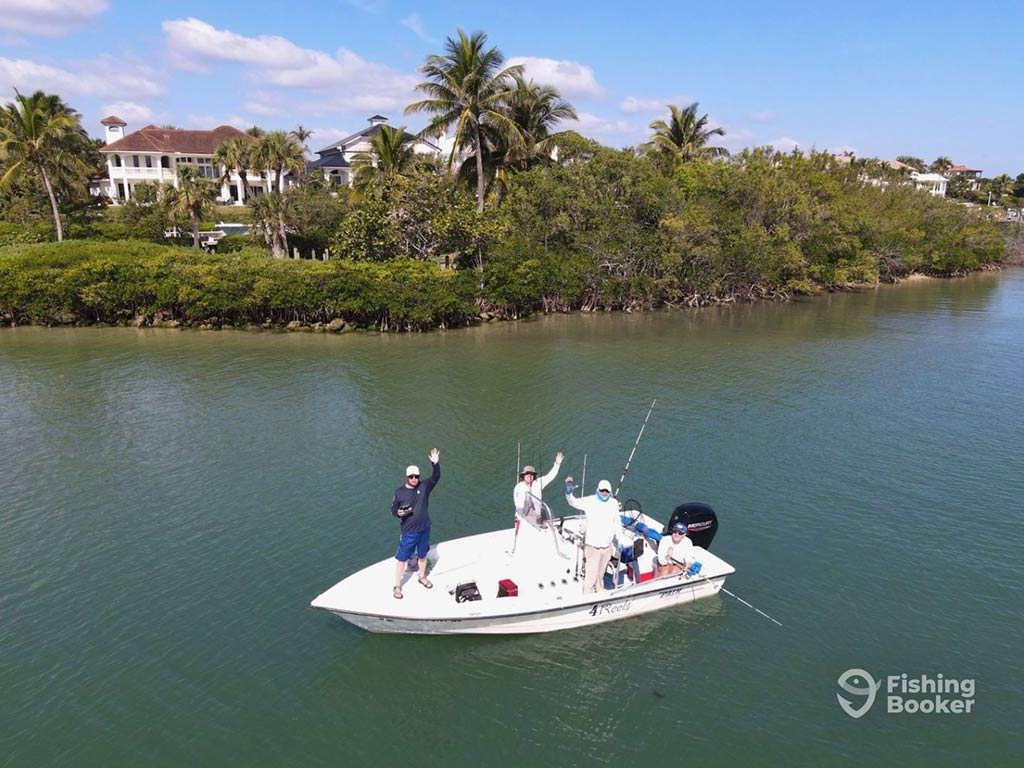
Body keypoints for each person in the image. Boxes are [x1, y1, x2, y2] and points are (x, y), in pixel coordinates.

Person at [391, 448, 440, 600]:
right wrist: (397, 512)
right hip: (409, 531)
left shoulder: (424, 486)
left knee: (423, 555)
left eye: (416, 476)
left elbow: (436, 477)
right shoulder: (399, 493)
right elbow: (393, 509)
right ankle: (397, 585)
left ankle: (421, 577)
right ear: (407, 477)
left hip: (424, 528)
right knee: (402, 559)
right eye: (411, 476)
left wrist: (435, 464)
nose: (414, 479)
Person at [564, 476, 623, 593]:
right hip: (593, 548)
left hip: (607, 548)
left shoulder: (614, 503)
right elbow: (573, 502)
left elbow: (617, 523)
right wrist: (568, 493)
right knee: (590, 578)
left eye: (607, 491)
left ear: (610, 492)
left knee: (600, 576)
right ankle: (587, 599)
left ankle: (599, 592)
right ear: (598, 490)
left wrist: (620, 540)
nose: (604, 493)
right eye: (602, 490)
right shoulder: (590, 501)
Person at [513, 452, 564, 528]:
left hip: (538, 515)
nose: (529, 475)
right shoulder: (518, 487)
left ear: (534, 476)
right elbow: (519, 505)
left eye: (532, 474)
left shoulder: (538, 482)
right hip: (524, 516)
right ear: (523, 476)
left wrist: (557, 464)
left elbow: (551, 476)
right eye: (527, 474)